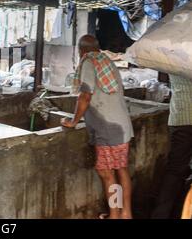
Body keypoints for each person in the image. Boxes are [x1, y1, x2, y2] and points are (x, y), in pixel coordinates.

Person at [61, 35, 134, 219]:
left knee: (106, 172)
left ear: (80, 50)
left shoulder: (88, 62)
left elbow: (85, 96)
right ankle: (126, 214)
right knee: (121, 169)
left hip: (107, 129)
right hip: (122, 127)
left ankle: (115, 215)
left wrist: (74, 121)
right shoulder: (107, 60)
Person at [152, 74, 192, 219]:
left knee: (175, 170)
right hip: (182, 118)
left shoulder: (174, 58)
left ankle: (162, 214)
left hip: (180, 118)